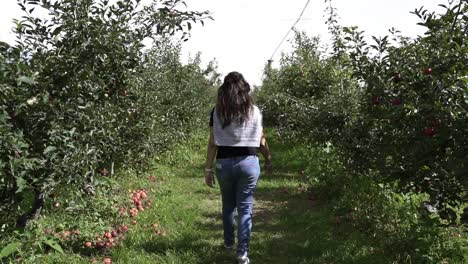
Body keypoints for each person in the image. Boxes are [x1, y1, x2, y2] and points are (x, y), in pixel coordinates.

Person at [204, 71, 272, 264]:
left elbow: (212, 143)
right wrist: (268, 159)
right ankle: (242, 253)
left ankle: (228, 242)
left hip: (224, 163)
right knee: (245, 208)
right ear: (245, 89)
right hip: (249, 162)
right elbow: (261, 140)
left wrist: (208, 169)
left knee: (227, 205)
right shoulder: (255, 111)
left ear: (224, 90)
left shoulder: (217, 111)